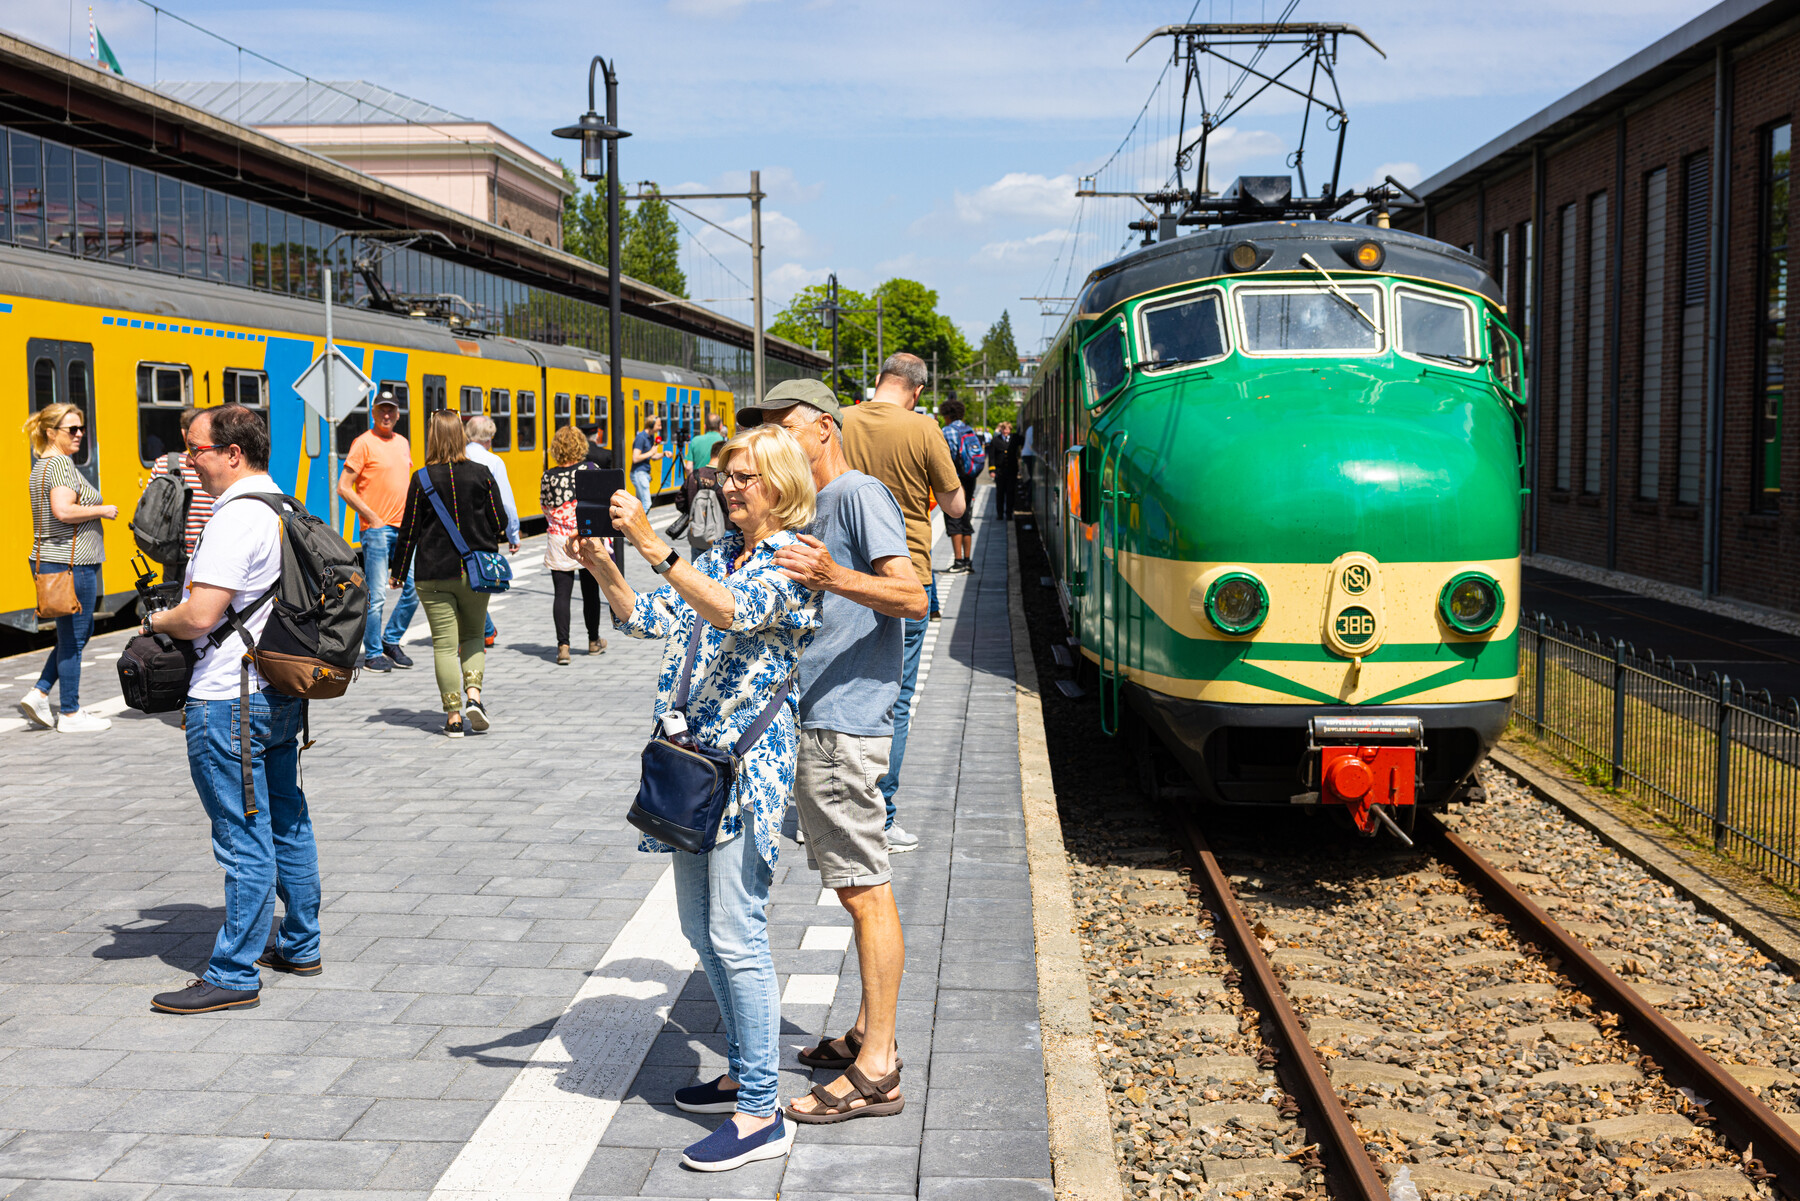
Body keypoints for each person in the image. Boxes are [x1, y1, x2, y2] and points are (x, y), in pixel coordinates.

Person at [568, 424, 821, 1173]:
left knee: (738, 932)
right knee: (700, 929)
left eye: (743, 476)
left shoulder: (794, 559)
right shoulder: (725, 554)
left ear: (780, 481)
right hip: (694, 767)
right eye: (725, 476)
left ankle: (761, 1112)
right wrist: (606, 569)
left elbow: (733, 612)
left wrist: (653, 544)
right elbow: (659, 616)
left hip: (745, 770)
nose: (729, 487)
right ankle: (745, 1068)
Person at [735, 379, 925, 1124]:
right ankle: (863, 1034)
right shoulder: (813, 504)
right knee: (852, 886)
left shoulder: (856, 492)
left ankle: (878, 1066)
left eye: (782, 428)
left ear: (822, 427)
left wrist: (830, 575)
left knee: (863, 887)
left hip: (844, 725)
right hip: (815, 718)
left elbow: (911, 596)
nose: (773, 442)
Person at [141, 404, 320, 1014]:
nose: (188, 461)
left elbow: (199, 616)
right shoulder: (284, 505)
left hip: (227, 699)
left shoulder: (233, 519)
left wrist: (154, 618)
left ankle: (234, 971)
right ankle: (300, 943)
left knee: (242, 836)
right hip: (277, 690)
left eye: (196, 449)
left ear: (232, 454)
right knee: (287, 820)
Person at [842, 352, 966, 852]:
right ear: (916, 390)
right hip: (905, 576)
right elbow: (955, 505)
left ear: (878, 381)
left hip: (841, 574)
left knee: (829, 686)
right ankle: (881, 816)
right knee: (893, 700)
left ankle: (820, 806)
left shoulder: (840, 420)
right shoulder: (923, 428)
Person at [390, 410, 506, 738]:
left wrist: (398, 572)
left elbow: (408, 531)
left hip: (433, 573)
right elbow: (499, 521)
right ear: (461, 437)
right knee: (472, 636)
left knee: (444, 645)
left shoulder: (422, 478)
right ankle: (475, 698)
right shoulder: (482, 474)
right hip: (476, 573)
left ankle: (454, 716)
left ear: (432, 437)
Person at [19, 404, 117, 733]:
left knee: (77, 633)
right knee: (75, 637)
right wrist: (103, 510)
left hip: (57, 559)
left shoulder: (43, 464)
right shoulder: (60, 463)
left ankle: (40, 692)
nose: (79, 435)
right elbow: (63, 510)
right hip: (71, 563)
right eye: (71, 430)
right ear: (51, 433)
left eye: (81, 428)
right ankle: (71, 713)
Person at [338, 392, 418, 673]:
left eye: (391, 410)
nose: (387, 415)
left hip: (403, 530)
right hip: (377, 530)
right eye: (382, 410)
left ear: (398, 414)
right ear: (373, 412)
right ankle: (372, 653)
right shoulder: (363, 443)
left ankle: (391, 640)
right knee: (378, 595)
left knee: (414, 589)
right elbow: (344, 486)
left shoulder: (402, 442)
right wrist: (371, 516)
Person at [540, 425, 606, 665]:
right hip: (585, 535)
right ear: (581, 445)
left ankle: (563, 647)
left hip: (558, 539)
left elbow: (545, 507)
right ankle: (593, 641)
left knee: (561, 594)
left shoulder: (548, 475)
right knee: (590, 592)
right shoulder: (591, 469)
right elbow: (600, 500)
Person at [463, 415, 521, 650]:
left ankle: (480, 630)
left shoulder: (456, 457)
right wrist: (513, 534)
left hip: (454, 531)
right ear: (489, 438)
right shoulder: (494, 461)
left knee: (463, 583)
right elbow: (505, 503)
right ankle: (482, 631)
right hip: (483, 532)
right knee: (478, 583)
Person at [146, 405, 218, 579]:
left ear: (183, 434)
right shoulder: (219, 467)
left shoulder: (164, 463)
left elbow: (149, 505)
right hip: (211, 553)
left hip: (175, 556)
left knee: (174, 603)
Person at [937, 399, 980, 573]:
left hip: (955, 479)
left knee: (953, 518)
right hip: (971, 477)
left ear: (947, 415)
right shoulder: (968, 429)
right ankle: (968, 562)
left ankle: (958, 562)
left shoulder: (947, 431)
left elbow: (945, 457)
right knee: (966, 516)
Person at [631, 414, 671, 510]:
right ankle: (641, 524)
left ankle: (637, 524)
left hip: (644, 473)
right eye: (658, 425)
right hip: (638, 473)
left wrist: (663, 454)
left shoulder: (650, 437)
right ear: (651, 425)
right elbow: (635, 458)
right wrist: (650, 452)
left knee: (640, 504)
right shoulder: (641, 438)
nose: (660, 428)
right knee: (647, 503)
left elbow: (653, 456)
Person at [989, 421, 1018, 521]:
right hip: (1000, 471)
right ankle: (1000, 514)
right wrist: (992, 470)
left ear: (1010, 430)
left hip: (1011, 471)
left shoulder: (1015, 439)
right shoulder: (995, 440)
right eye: (1004, 429)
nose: (1005, 431)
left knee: (1010, 493)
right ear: (1001, 430)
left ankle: (1009, 513)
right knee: (1000, 493)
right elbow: (991, 456)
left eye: (1007, 429)